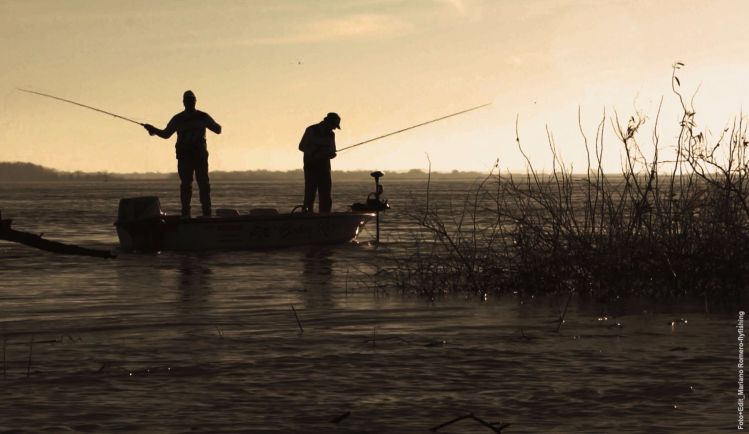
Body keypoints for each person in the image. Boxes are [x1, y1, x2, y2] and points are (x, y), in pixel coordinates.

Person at [143, 90, 222, 217]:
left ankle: (205, 212)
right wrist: (152, 129)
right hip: (186, 157)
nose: (190, 103)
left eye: (191, 100)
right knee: (188, 185)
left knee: (202, 184)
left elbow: (218, 129)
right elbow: (165, 134)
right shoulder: (179, 119)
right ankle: (187, 212)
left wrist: (211, 125)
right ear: (184, 103)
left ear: (194, 102)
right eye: (188, 101)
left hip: (199, 157)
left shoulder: (199, 117)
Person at [298, 112, 340, 213]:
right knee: (309, 195)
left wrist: (332, 154)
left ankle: (325, 217)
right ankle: (307, 217)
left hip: (325, 169)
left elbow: (333, 151)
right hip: (311, 168)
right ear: (328, 122)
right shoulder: (311, 130)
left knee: (326, 196)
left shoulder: (331, 134)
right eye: (334, 126)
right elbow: (301, 146)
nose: (334, 128)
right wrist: (314, 153)